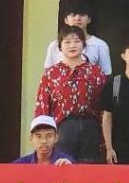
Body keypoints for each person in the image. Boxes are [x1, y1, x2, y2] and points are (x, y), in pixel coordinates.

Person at [34, 27, 107, 164]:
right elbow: (42, 106)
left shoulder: (96, 72)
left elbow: (104, 106)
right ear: (60, 47)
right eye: (67, 42)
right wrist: (42, 135)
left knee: (88, 169)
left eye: (77, 41)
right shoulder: (51, 74)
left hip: (90, 127)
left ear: (83, 45)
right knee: (61, 167)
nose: (72, 45)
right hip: (63, 127)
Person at [43, 3, 112, 75]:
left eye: (82, 15)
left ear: (89, 19)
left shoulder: (100, 45)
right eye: (73, 15)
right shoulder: (55, 45)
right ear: (66, 20)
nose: (77, 18)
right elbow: (48, 73)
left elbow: (106, 74)